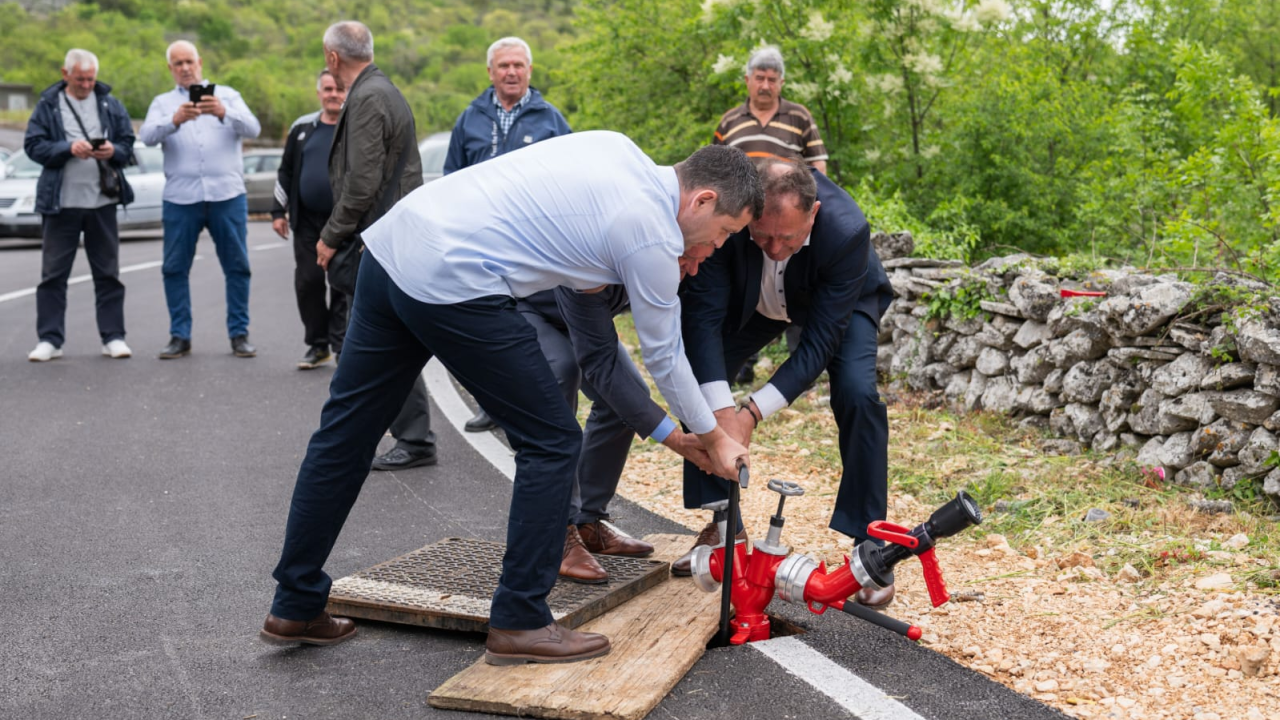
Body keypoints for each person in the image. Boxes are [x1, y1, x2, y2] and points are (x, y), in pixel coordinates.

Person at [261, 131, 762, 665]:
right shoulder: (651, 233)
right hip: (455, 278)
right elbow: (665, 356)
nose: (714, 249)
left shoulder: (618, 150)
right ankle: (520, 620)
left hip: (394, 247)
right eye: (725, 232)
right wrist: (713, 437)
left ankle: (295, 602)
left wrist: (676, 433)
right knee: (551, 440)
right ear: (702, 200)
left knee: (345, 434)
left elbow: (549, 217)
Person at [676, 159, 896, 607]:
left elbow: (818, 344)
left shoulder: (847, 230)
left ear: (812, 215)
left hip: (833, 303)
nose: (775, 248)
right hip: (753, 299)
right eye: (763, 236)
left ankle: (869, 544)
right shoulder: (733, 212)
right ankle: (723, 525)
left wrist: (750, 413)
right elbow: (701, 322)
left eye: (788, 237)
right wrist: (720, 416)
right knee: (697, 378)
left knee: (857, 392)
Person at [373, 35, 572, 459]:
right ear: (490, 72)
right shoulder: (471, 118)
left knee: (524, 329)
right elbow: (451, 179)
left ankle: (525, 408)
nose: (512, 72)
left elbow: (567, 181)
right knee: (487, 324)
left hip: (530, 245)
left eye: (519, 65)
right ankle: (491, 404)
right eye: (504, 66)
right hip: (480, 243)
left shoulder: (551, 120)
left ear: (530, 71)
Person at [305, 21, 433, 471]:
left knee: (381, 342)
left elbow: (361, 184)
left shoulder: (368, 97)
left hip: (377, 241)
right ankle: (408, 436)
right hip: (388, 237)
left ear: (333, 57)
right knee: (387, 340)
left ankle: (405, 439)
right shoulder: (380, 90)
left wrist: (329, 236)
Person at [714, 45, 829, 384]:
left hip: (789, 220)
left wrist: (810, 213)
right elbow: (716, 169)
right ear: (747, 80)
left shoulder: (799, 117)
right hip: (742, 221)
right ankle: (742, 365)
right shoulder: (730, 121)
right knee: (743, 287)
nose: (765, 85)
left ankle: (801, 369)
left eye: (772, 79)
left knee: (795, 284)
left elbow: (818, 165)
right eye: (759, 78)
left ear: (781, 83)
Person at [140, 40, 261, 359]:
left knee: (237, 266)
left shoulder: (228, 95)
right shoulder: (163, 102)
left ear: (200, 62)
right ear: (170, 69)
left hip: (227, 194)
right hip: (181, 198)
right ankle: (180, 335)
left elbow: (254, 128)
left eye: (189, 61)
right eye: (178, 63)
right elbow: (147, 136)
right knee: (174, 267)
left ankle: (239, 334)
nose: (185, 68)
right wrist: (174, 120)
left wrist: (224, 111)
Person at [24, 49, 135, 362]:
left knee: (108, 273)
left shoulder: (110, 104)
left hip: (102, 201)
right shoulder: (48, 105)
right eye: (80, 79)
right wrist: (68, 148)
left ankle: (113, 337)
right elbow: (33, 146)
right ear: (65, 74)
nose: (86, 85)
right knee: (53, 276)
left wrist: (113, 149)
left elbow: (128, 145)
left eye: (91, 79)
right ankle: (50, 340)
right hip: (61, 204)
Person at [271, 69, 350, 370]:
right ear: (319, 93)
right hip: (306, 222)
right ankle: (318, 346)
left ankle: (342, 346)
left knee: (342, 284)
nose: (334, 94)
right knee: (308, 282)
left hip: (343, 222)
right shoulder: (302, 129)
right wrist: (278, 211)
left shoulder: (354, 127)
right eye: (328, 89)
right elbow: (285, 171)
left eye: (339, 89)